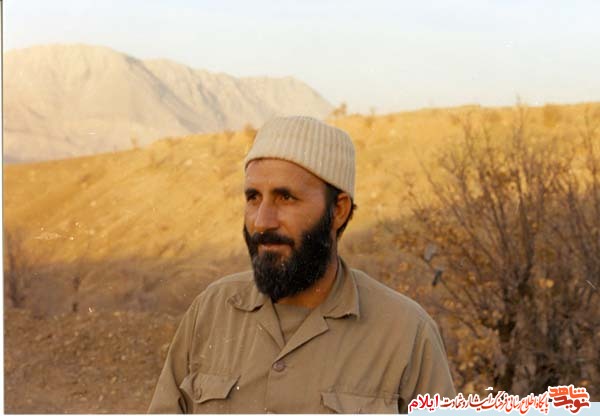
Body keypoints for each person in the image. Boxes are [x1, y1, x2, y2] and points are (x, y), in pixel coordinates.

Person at [148, 116, 456, 414]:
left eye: (285, 198)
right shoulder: (211, 311)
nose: (262, 221)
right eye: (253, 197)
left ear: (338, 210)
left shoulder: (406, 334)